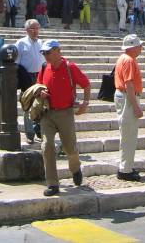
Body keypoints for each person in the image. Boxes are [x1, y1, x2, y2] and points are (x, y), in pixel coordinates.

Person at [37, 39, 91, 196]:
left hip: (65, 113)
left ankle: (75, 168)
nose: (45, 56)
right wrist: (40, 92)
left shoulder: (70, 67)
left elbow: (86, 84)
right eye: (43, 53)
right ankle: (53, 184)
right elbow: (38, 85)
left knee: (69, 147)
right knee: (47, 146)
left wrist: (85, 103)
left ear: (57, 51)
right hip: (47, 113)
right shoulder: (44, 67)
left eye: (48, 52)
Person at [114, 34, 144, 181]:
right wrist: (135, 106)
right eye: (139, 45)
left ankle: (126, 166)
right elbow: (129, 84)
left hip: (123, 96)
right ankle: (125, 169)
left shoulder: (124, 58)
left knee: (127, 133)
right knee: (129, 134)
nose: (141, 47)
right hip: (127, 97)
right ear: (132, 47)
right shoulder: (129, 60)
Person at [16, 19, 44, 144]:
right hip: (26, 77)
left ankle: (39, 131)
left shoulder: (41, 43)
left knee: (40, 105)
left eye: (37, 28)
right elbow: (16, 63)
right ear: (27, 30)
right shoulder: (20, 43)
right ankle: (29, 134)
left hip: (39, 77)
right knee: (27, 105)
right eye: (32, 28)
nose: (35, 31)